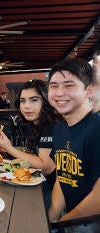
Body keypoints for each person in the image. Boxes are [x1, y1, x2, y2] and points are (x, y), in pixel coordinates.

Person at [47, 58, 100, 231]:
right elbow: (63, 179)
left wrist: (63, 222)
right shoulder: (59, 129)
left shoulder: (96, 128)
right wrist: (49, 219)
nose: (59, 93)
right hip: (71, 221)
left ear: (88, 91)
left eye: (68, 85)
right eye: (54, 86)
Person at [0, 79, 61, 207]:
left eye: (34, 100)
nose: (27, 106)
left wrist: (9, 148)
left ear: (45, 101)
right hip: (39, 183)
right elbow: (35, 157)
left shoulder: (51, 125)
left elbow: (46, 167)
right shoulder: (34, 124)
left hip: (54, 191)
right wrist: (9, 152)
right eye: (22, 101)